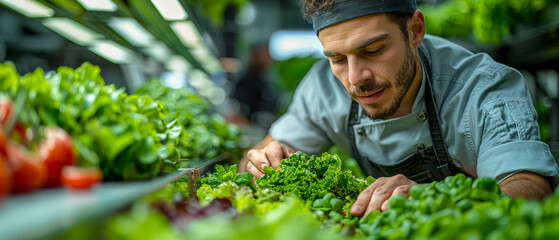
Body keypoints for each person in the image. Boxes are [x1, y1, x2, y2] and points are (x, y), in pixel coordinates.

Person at [240, 0, 559, 218]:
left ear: (415, 30)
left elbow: (529, 186)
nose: (355, 78)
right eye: (337, 59)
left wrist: (433, 199)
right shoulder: (322, 89)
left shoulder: (482, 88)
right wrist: (260, 162)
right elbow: (255, 159)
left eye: (373, 50)